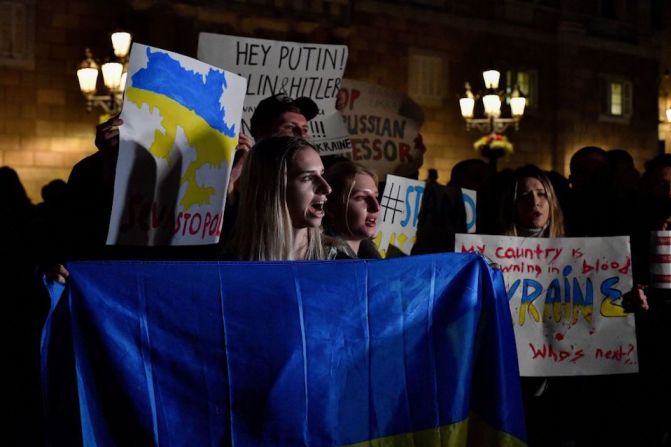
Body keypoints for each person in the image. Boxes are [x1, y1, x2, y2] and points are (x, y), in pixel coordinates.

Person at [229, 136, 331, 261]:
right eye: (307, 178)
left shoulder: (340, 262)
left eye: (321, 174)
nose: (327, 188)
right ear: (271, 187)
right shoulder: (227, 263)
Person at [322, 161, 381, 259]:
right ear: (331, 208)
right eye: (361, 198)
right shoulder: (327, 262)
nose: (376, 207)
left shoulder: (370, 255)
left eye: (376, 196)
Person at [498, 164, 564, 238]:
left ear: (551, 201)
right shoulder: (493, 245)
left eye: (541, 194)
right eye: (524, 196)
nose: (534, 202)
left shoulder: (570, 244)